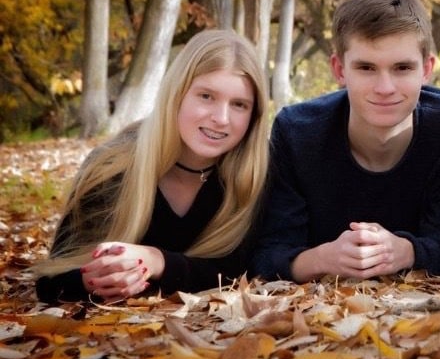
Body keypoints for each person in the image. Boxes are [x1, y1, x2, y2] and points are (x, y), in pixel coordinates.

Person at [250, 0, 440, 282]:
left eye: (402, 68)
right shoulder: (297, 133)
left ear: (426, 69)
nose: (385, 88)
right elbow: (269, 254)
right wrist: (324, 257)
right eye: (366, 68)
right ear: (339, 70)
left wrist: (404, 251)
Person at [34, 29, 270, 303]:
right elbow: (51, 280)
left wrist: (156, 261)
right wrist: (93, 279)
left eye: (239, 104)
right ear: (176, 94)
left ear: (254, 115)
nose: (221, 118)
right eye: (206, 96)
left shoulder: (256, 174)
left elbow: (244, 271)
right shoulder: (112, 166)